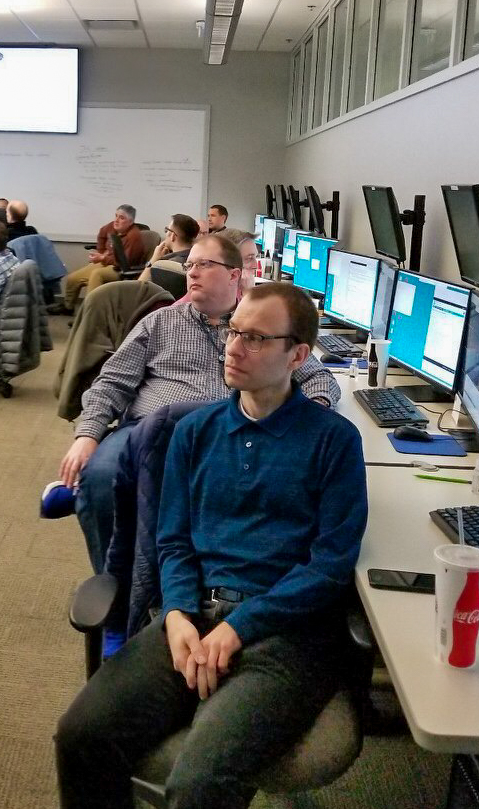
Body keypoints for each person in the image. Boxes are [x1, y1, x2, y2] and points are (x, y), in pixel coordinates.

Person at [55, 282, 365, 809]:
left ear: (297, 355)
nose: (234, 347)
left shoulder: (333, 441)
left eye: (255, 337)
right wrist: (175, 615)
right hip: (193, 620)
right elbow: (172, 542)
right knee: (81, 738)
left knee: (199, 782)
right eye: (233, 332)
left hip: (285, 637)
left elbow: (329, 567)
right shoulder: (194, 432)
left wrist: (238, 628)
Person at [54, 234, 339, 573]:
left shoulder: (257, 327)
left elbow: (321, 380)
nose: (192, 273)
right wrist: (87, 435)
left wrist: (309, 417)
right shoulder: (160, 322)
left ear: (234, 274)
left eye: (204, 264)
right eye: (190, 265)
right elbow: (112, 382)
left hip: (226, 438)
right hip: (146, 433)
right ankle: (112, 584)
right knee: (100, 476)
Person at [60, 205, 150, 308]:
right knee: (73, 278)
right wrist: (101, 252)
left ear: (130, 222)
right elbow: (102, 235)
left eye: (121, 218)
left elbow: (124, 262)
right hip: (107, 261)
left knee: (97, 275)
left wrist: (103, 258)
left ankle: (90, 314)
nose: (116, 220)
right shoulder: (113, 226)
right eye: (116, 216)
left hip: (121, 268)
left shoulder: (133, 237)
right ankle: (68, 307)